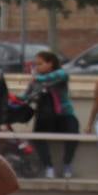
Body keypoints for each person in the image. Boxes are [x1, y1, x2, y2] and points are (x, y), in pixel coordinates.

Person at [24, 50, 78, 179]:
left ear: (50, 64)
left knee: (73, 132)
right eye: (36, 65)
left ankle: (67, 164)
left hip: (64, 115)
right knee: (38, 137)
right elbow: (27, 96)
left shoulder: (61, 74)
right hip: (46, 116)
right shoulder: (36, 81)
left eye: (40, 64)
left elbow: (51, 78)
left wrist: (36, 77)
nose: (37, 67)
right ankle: (48, 166)